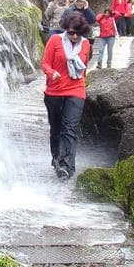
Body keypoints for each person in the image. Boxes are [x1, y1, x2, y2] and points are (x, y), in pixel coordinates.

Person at [42, 12, 92, 180]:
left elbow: (84, 68)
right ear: (65, 30)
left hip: (76, 90)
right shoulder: (55, 40)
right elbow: (45, 63)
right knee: (56, 129)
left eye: (79, 33)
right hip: (54, 91)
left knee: (69, 128)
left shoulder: (85, 44)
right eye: (71, 32)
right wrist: (51, 72)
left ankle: (66, 166)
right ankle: (56, 158)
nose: (75, 36)